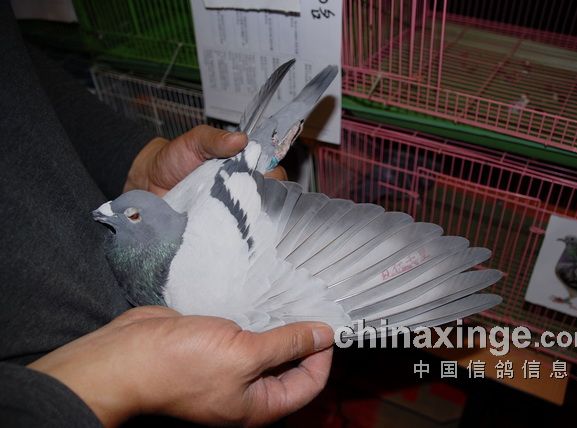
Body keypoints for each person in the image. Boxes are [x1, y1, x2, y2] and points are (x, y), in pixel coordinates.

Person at [0, 3, 334, 427]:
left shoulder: (185, 274)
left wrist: (137, 160)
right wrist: (120, 378)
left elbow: (15, 70)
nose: (100, 213)